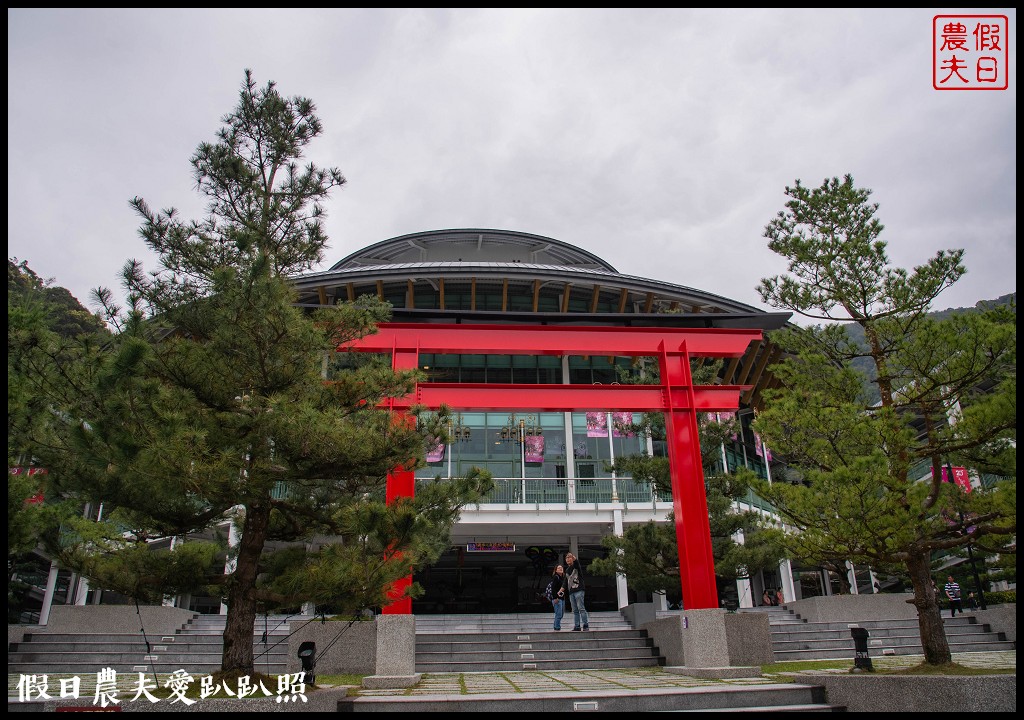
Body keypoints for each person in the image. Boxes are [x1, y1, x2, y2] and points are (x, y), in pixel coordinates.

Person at [564, 552, 589, 631]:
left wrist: (573, 558)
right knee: (575, 610)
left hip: (579, 590)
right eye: (566, 558)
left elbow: (576, 563)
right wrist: (561, 590)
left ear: (572, 558)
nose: (568, 559)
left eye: (569, 558)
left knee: (581, 608)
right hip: (571, 591)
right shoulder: (567, 570)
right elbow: (566, 581)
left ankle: (585, 625)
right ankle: (577, 626)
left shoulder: (576, 566)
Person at [549, 564, 566, 630]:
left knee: (561, 614)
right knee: (558, 614)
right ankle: (557, 627)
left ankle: (556, 626)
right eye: (559, 568)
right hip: (557, 599)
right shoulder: (556, 577)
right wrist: (555, 598)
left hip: (562, 598)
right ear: (556, 570)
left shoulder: (563, 578)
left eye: (561, 568)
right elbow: (553, 588)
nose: (561, 569)